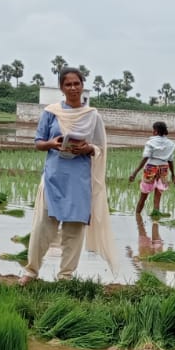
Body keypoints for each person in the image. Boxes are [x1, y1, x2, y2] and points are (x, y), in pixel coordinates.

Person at [22, 67, 117, 285]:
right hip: (54, 176)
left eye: (77, 84)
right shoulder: (51, 112)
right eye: (68, 84)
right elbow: (38, 142)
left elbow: (100, 147)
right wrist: (51, 144)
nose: (73, 88)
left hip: (79, 178)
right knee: (43, 226)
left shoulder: (92, 116)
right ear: (61, 88)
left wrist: (88, 149)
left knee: (74, 229)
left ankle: (65, 276)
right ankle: (31, 271)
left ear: (83, 85)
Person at [130, 121, 175, 216]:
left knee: (143, 196)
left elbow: (145, 158)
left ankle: (137, 216)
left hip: (151, 168)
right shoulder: (171, 144)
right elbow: (170, 160)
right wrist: (173, 174)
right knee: (158, 197)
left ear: (155, 131)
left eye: (153, 130)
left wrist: (134, 173)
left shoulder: (151, 142)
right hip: (163, 169)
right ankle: (155, 220)